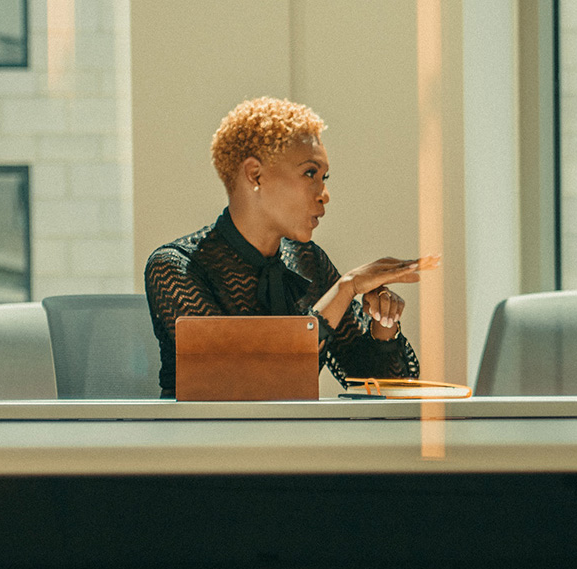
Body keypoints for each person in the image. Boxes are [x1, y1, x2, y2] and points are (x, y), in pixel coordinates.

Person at [144, 97, 435, 398]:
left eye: (324, 178)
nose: (324, 195)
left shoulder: (307, 261)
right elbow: (243, 383)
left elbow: (380, 387)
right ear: (255, 175)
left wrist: (382, 325)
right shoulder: (174, 266)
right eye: (310, 173)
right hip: (204, 443)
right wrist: (344, 289)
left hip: (295, 442)